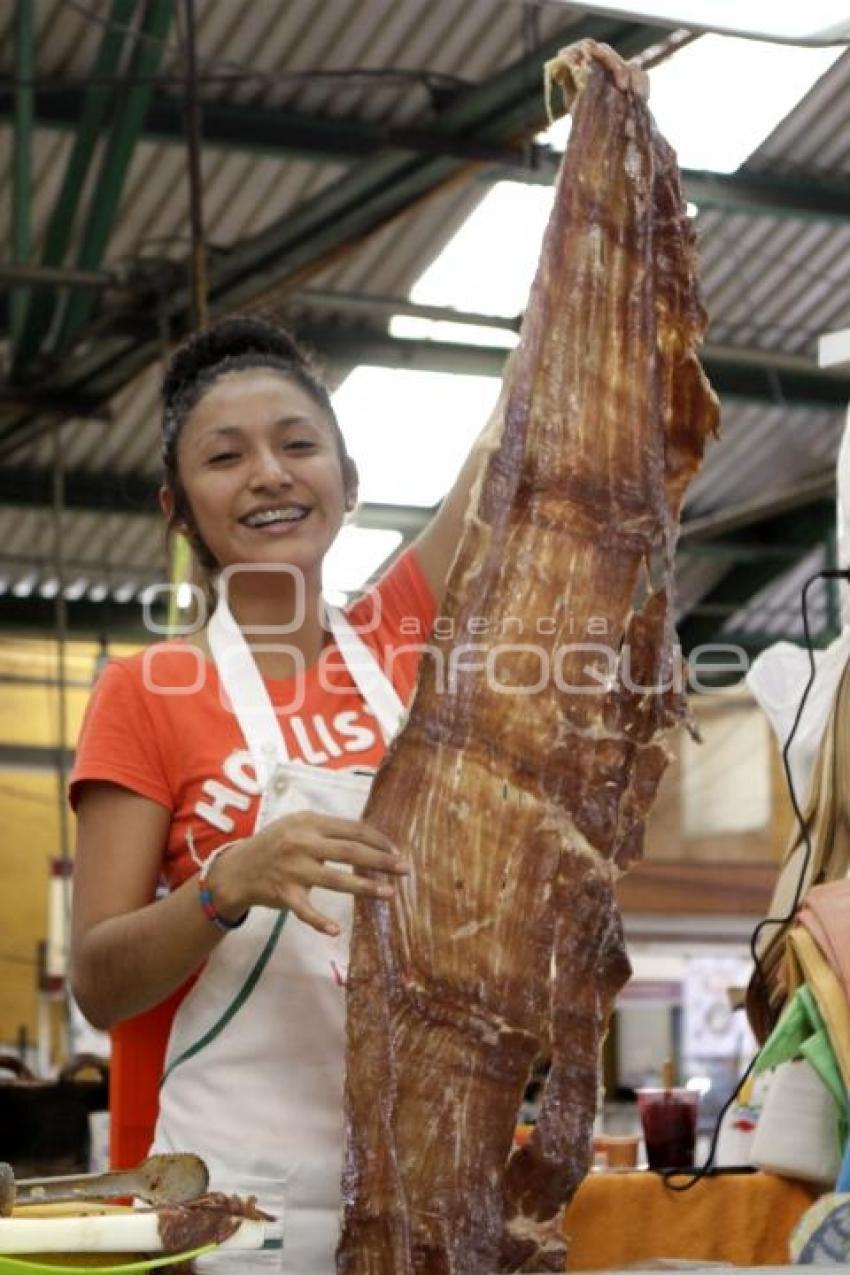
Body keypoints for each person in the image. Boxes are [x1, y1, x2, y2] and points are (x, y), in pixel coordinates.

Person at [69, 314, 489, 1272]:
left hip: (422, 1175)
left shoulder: (400, 636)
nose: (269, 472)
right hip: (233, 1200)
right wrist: (228, 882)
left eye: (299, 445)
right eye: (225, 456)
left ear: (348, 484)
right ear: (177, 508)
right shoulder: (144, 693)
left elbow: (511, 435)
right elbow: (98, 980)